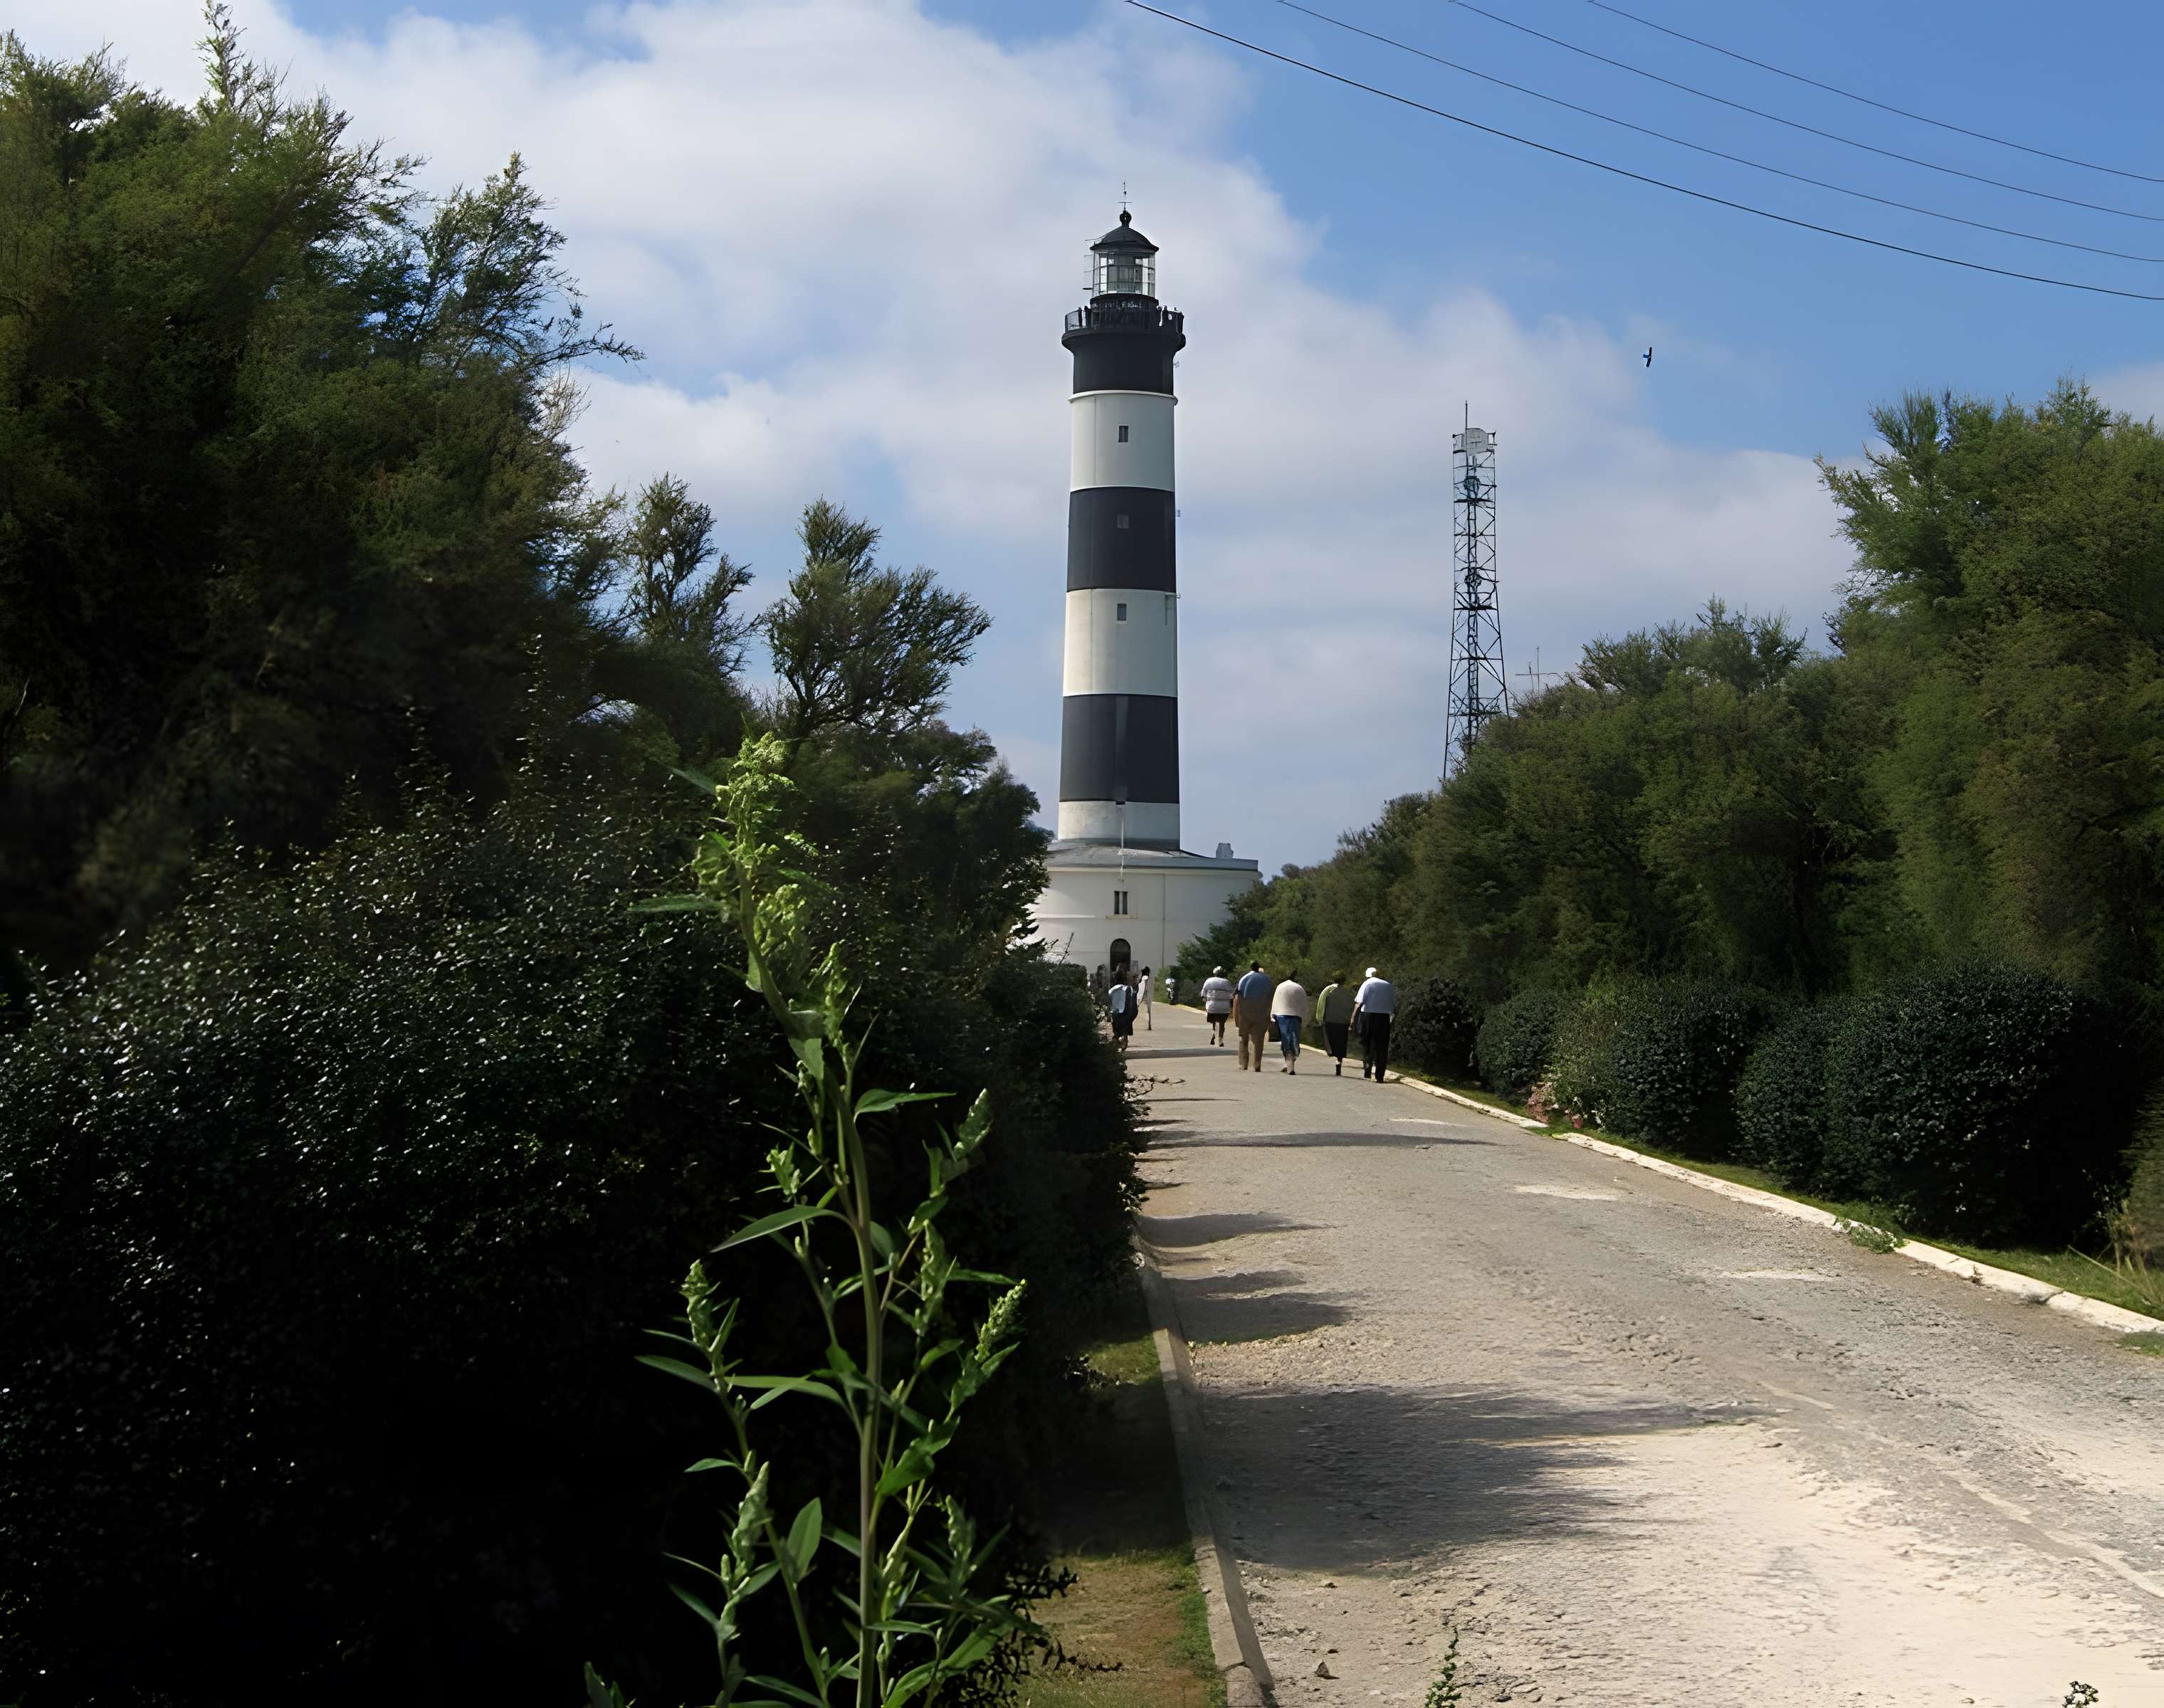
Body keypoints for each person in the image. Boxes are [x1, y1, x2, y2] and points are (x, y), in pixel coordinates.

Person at [1352, 966, 1397, 1082]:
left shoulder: (1368, 984)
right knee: (1382, 1046)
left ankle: (1367, 1066)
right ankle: (1380, 1075)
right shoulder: (1389, 986)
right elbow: (1393, 1005)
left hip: (1369, 1015)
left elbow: (1359, 1002)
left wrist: (1353, 1020)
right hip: (1384, 1018)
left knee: (1367, 1042)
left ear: (1368, 976)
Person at [1233, 961, 1273, 1072]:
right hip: (1262, 1012)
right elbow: (1271, 997)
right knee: (1259, 1040)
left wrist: (1237, 1017)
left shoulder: (1244, 979)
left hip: (1246, 1012)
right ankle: (1257, 1064)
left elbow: (1237, 998)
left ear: (1250, 967)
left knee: (1244, 1039)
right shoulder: (1267, 980)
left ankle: (1244, 1064)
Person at [1270, 970, 1311, 1073]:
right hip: (1296, 1017)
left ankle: (1289, 1063)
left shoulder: (1280, 986)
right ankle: (1290, 1062)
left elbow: (1275, 1002)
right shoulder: (1299, 988)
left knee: (1285, 1039)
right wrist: (1303, 1017)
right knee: (1294, 1039)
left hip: (1282, 1016)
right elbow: (1304, 1005)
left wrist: (1272, 1016)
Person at [1315, 971, 1355, 1076]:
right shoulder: (1348, 992)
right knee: (1341, 1043)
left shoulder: (1328, 990)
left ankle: (1332, 1054)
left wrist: (1320, 1018)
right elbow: (1352, 1006)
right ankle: (1339, 1061)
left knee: (1331, 1042)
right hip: (1343, 1022)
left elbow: (1321, 1004)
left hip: (1330, 1020)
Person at [1201, 965, 1234, 1045]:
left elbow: (1203, 994)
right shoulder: (1227, 982)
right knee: (1222, 1024)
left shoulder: (1209, 981)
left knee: (1214, 1022)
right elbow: (1232, 995)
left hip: (1212, 1006)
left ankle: (1213, 1033)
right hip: (1224, 1007)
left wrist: (1206, 1000)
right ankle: (1221, 1040)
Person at [1106, 971, 1136, 1053]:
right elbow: (1133, 1004)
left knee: (1116, 1031)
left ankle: (1117, 1045)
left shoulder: (1111, 990)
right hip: (1126, 1013)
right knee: (1124, 1029)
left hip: (1116, 1014)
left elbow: (1109, 1004)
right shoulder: (1129, 989)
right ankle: (1123, 1042)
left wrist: (1109, 1015)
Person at [1137, 965, 1153, 1030]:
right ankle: (1149, 1025)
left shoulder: (1144, 978)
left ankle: (1149, 1025)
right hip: (1147, 996)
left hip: (1143, 996)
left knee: (1137, 1009)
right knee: (1148, 1011)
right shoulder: (1149, 978)